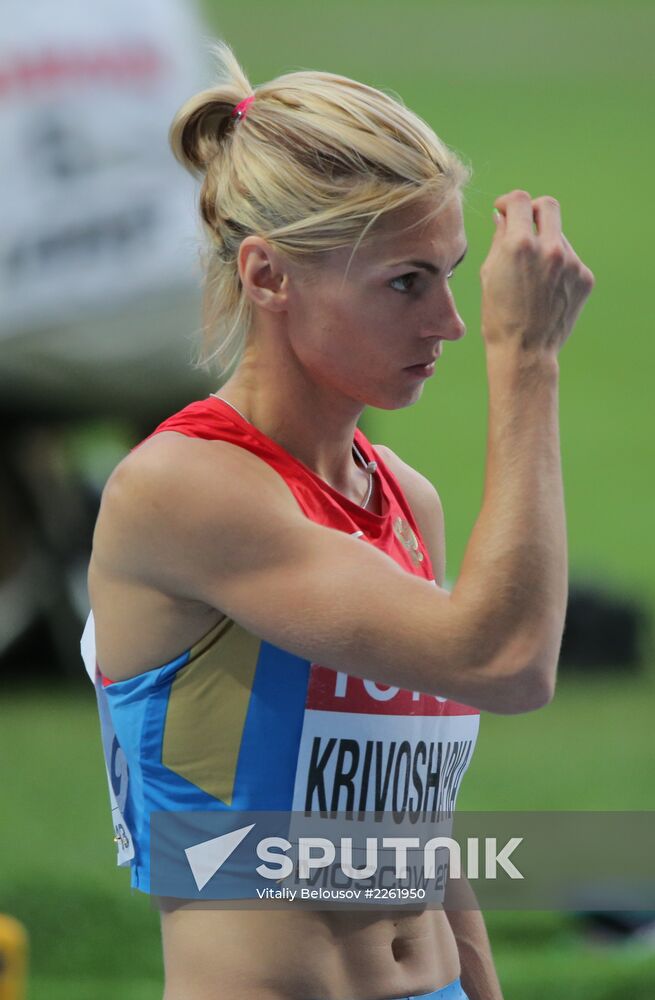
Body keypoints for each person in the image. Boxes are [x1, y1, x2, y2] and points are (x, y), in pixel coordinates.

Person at [81, 40, 594, 1000]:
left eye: (452, 273)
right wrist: (528, 361)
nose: (448, 321)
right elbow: (509, 662)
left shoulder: (404, 496)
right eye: (406, 282)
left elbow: (417, 826)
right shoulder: (182, 490)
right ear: (268, 276)